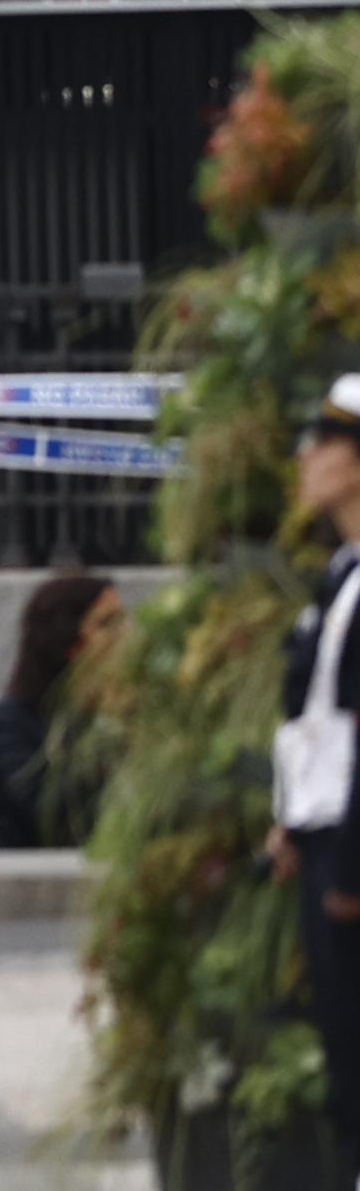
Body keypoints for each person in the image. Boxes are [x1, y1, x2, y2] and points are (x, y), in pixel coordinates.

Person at [285, 377, 360, 1168]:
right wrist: (289, 822)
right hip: (323, 830)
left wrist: (348, 866)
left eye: (323, 441)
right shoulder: (341, 570)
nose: (304, 456)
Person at [0, 566, 115, 852]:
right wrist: (107, 726)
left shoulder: (141, 710)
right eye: (106, 624)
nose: (125, 635)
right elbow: (42, 810)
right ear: (69, 641)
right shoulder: (13, 719)